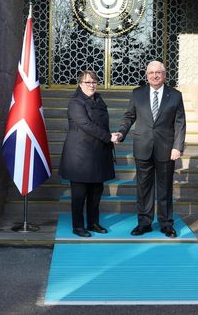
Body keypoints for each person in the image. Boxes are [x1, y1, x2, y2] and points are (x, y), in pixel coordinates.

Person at [113, 60, 186, 238]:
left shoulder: (175, 95)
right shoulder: (137, 94)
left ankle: (166, 224)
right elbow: (129, 117)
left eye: (158, 72)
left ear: (164, 75)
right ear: (146, 75)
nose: (154, 75)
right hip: (143, 148)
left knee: (165, 189)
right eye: (151, 73)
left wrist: (178, 147)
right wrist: (121, 133)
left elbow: (180, 123)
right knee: (143, 188)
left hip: (166, 149)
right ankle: (144, 223)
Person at [59, 70, 115, 238]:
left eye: (94, 82)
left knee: (96, 193)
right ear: (80, 84)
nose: (92, 85)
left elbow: (103, 124)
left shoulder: (99, 99)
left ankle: (93, 223)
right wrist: (108, 137)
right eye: (88, 82)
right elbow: (86, 125)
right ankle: (78, 226)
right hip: (80, 156)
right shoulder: (75, 102)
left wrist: (113, 135)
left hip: (98, 154)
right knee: (79, 195)